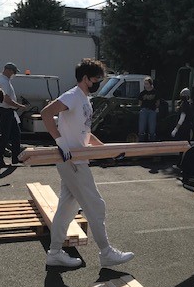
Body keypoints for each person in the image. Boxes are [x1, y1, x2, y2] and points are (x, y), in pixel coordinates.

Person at [40, 58, 134, 268]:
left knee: (67, 208)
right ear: (85, 78)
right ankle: (106, 252)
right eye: (96, 79)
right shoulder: (73, 96)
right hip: (72, 160)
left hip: (77, 159)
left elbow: (85, 133)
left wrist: (106, 151)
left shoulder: (85, 99)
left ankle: (54, 252)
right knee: (96, 205)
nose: (98, 83)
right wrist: (60, 141)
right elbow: (46, 113)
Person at [0, 62, 26, 178]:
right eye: (14, 72)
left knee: (15, 134)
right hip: (5, 111)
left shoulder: (5, 80)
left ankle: (15, 158)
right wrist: (18, 105)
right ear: (8, 70)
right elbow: (6, 98)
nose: (14, 74)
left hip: (8, 112)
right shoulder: (3, 81)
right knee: (5, 136)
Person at [137, 76, 159, 141]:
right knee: (141, 128)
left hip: (152, 110)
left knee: (152, 129)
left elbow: (157, 102)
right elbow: (140, 102)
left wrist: (156, 108)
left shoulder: (155, 92)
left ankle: (152, 141)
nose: (145, 85)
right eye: (145, 84)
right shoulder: (142, 93)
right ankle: (141, 141)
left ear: (150, 84)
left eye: (147, 84)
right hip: (144, 110)